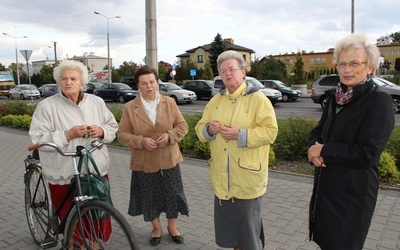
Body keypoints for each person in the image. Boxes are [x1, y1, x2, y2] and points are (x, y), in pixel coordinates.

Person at [307, 33, 395, 250]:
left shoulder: (378, 101)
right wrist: (313, 148)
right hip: (327, 190)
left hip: (353, 195)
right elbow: (319, 130)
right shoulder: (335, 98)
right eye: (342, 63)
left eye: (355, 63)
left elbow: (367, 153)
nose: (347, 69)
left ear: (370, 67)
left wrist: (324, 150)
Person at [195, 50, 278, 250]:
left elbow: (270, 132)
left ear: (243, 72)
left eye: (232, 69)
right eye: (223, 71)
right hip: (223, 177)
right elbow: (199, 129)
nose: (228, 74)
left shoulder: (258, 99)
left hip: (247, 177)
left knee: (248, 233)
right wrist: (209, 130)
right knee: (231, 232)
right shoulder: (216, 100)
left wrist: (240, 135)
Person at [29, 61, 118, 236]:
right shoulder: (46, 106)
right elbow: (37, 139)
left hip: (94, 168)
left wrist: (101, 131)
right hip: (64, 169)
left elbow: (112, 127)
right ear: (58, 82)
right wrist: (66, 135)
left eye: (73, 79)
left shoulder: (96, 102)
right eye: (64, 79)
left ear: (82, 83)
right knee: (72, 220)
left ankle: (93, 243)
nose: (68, 82)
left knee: (98, 215)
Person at [117, 65, 189, 246]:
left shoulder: (169, 102)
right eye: (144, 83)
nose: (149, 86)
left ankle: (173, 227)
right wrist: (141, 141)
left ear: (157, 83)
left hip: (170, 160)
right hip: (144, 163)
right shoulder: (129, 108)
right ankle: (156, 228)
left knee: (173, 195)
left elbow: (182, 126)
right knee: (150, 197)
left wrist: (170, 136)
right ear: (138, 86)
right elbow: (122, 135)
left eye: (152, 82)